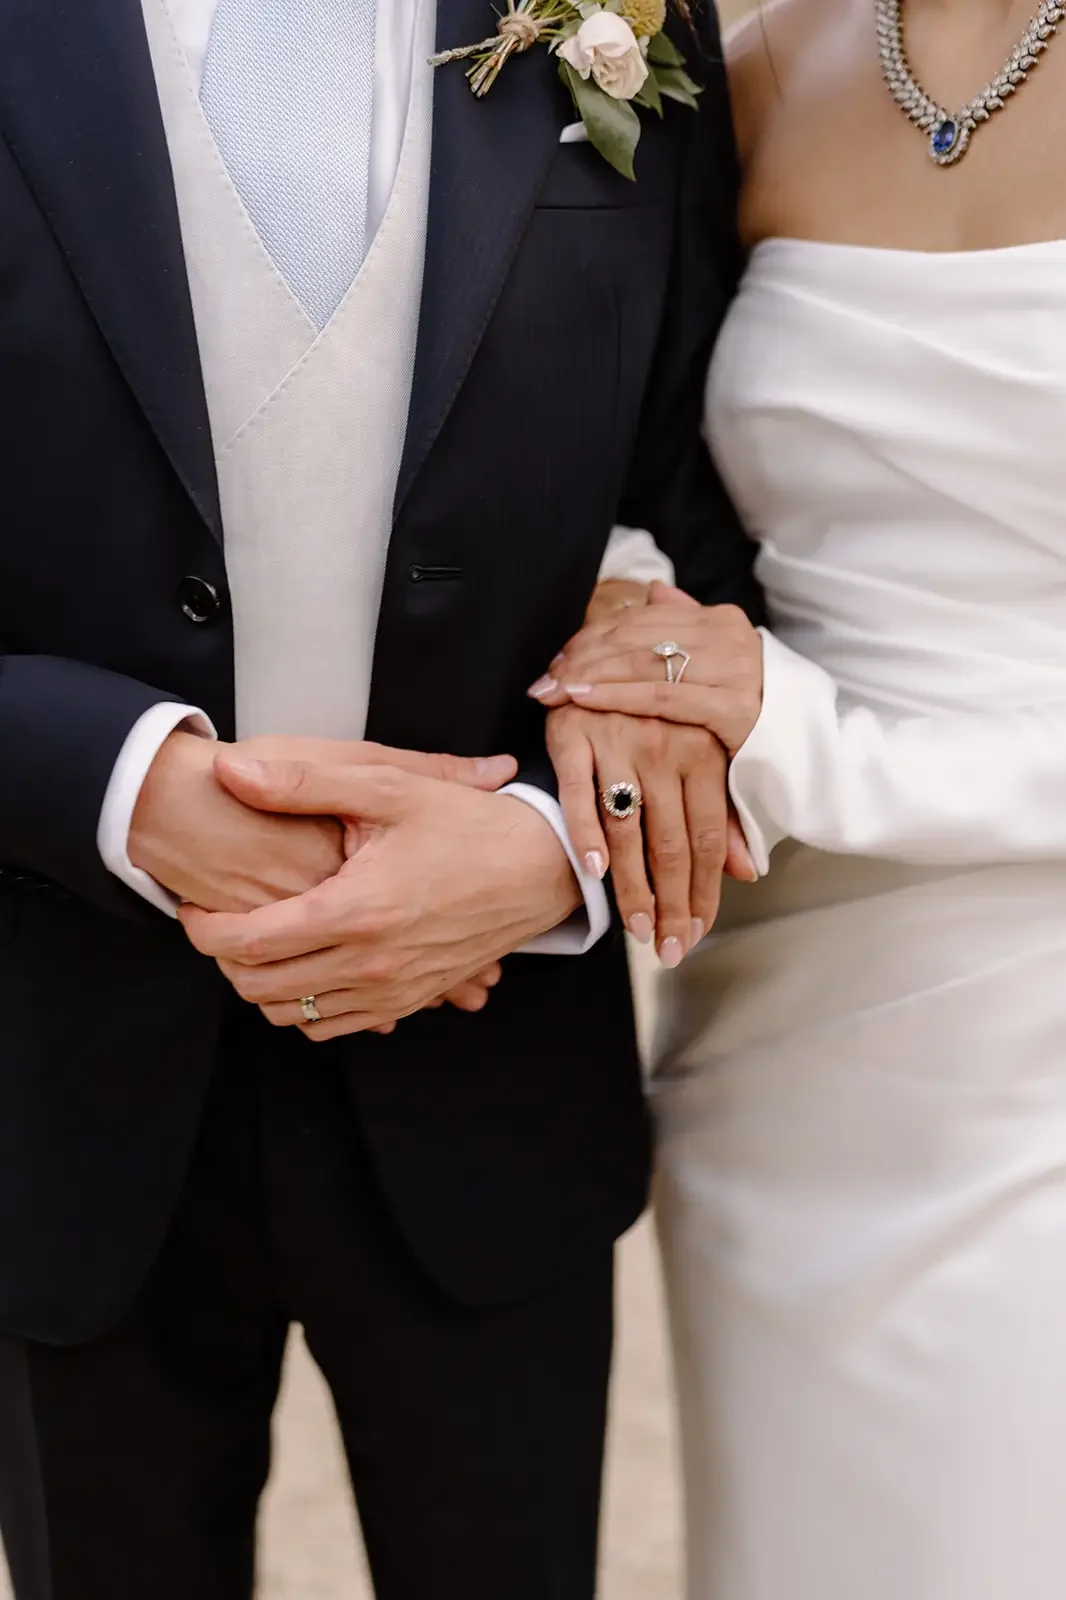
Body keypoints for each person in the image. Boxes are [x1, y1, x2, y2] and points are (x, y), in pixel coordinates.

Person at [0, 2, 761, 1596]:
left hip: (489, 1083)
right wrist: (113, 784)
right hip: (61, 1066)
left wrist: (551, 849)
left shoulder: (618, 14)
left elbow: (701, 504)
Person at [538, 0, 1066, 1593]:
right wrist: (628, 614)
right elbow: (629, 458)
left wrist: (807, 738)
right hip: (787, 1047)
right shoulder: (747, 67)